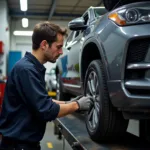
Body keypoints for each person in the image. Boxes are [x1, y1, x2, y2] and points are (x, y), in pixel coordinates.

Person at [0, 21, 92, 150]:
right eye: (58, 47)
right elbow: (46, 110)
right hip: (18, 146)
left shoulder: (31, 68)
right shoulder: (27, 70)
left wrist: (68, 103)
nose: (61, 52)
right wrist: (77, 105)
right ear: (44, 45)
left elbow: (42, 101)